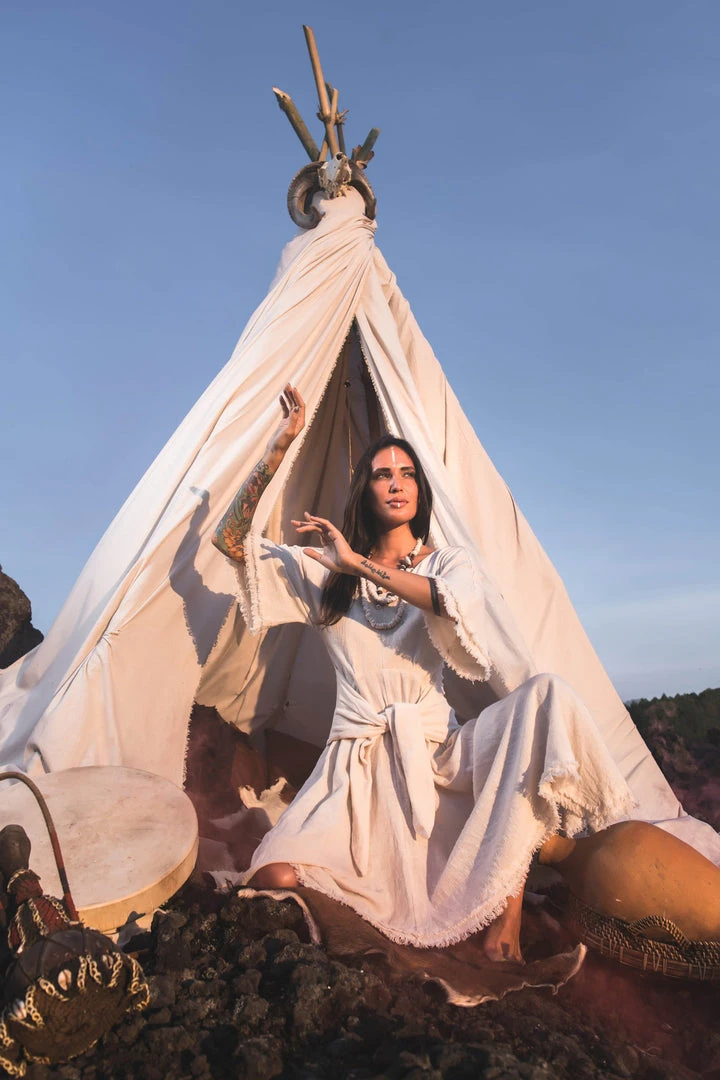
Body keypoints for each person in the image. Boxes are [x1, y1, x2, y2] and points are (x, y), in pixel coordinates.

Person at [212, 384, 635, 962]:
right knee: (277, 876)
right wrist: (279, 447)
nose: (397, 483)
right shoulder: (327, 572)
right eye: (383, 474)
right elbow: (229, 540)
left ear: (420, 490)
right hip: (357, 767)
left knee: (546, 699)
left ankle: (505, 916)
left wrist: (359, 564)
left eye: (407, 474)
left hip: (438, 757)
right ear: (365, 491)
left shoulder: (449, 563)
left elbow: (446, 601)